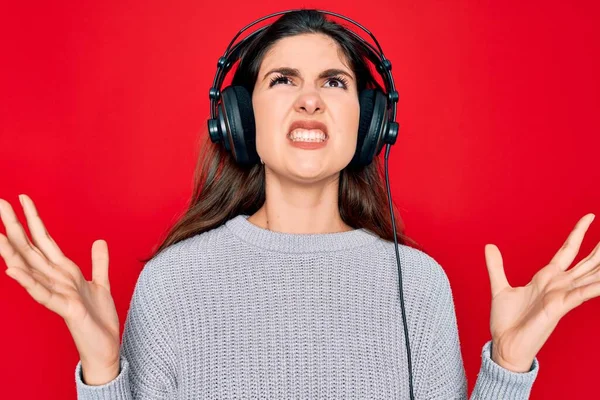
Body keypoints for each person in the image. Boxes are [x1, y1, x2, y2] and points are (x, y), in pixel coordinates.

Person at [0, 9, 598, 400]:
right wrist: (103, 370)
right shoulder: (172, 284)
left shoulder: (418, 285)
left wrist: (509, 368)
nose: (309, 100)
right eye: (283, 80)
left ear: (369, 124)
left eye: (334, 83)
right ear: (238, 119)